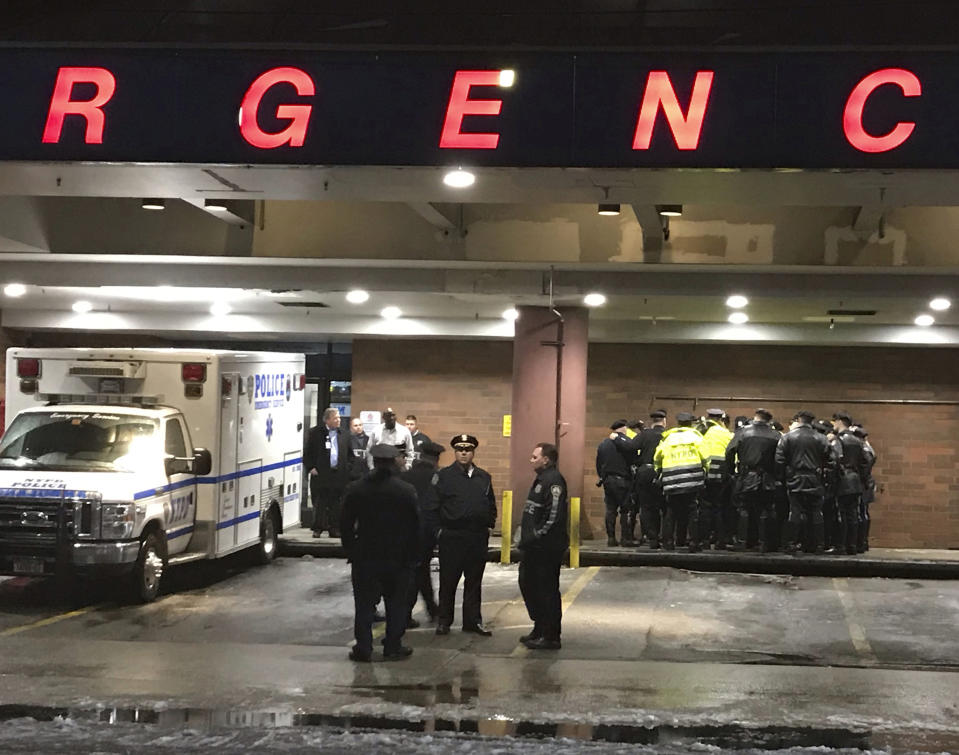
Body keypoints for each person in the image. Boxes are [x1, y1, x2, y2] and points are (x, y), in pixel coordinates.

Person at [340, 443, 420, 662]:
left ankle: (364, 647)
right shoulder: (405, 491)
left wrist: (352, 550)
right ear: (394, 462)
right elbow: (416, 526)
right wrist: (412, 556)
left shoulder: (357, 489)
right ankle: (393, 645)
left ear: (373, 462)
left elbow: (345, 524)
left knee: (364, 605)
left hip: (366, 557)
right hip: (398, 557)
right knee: (396, 604)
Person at [433, 434, 497, 637]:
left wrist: (489, 524)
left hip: (476, 537)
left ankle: (472, 621)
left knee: (474, 582)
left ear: (473, 452)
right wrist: (438, 532)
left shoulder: (483, 477)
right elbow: (433, 505)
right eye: (460, 449)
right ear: (455, 452)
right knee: (448, 581)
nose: (463, 452)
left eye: (467, 449)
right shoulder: (444, 476)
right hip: (452, 536)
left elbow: (491, 504)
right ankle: (444, 621)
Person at [518, 442, 568, 650]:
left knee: (546, 590)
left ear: (546, 459)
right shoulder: (541, 479)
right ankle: (539, 627)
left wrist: (537, 535)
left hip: (546, 548)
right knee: (529, 585)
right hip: (532, 547)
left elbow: (553, 515)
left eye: (534, 456)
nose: (531, 459)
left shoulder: (554, 481)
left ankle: (550, 635)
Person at [725, 408, 781, 552]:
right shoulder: (776, 435)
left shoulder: (743, 432)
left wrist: (731, 472)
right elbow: (781, 458)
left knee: (744, 508)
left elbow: (729, 452)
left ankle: (742, 541)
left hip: (746, 476)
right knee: (766, 509)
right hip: (768, 478)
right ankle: (764, 543)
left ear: (755, 418)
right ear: (769, 420)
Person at [402, 440, 445, 626]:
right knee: (420, 571)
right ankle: (427, 609)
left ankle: (422, 609)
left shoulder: (406, 476)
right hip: (426, 532)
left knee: (411, 571)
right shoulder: (438, 477)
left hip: (405, 531)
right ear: (436, 459)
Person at [775, 410, 831, 554]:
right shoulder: (821, 438)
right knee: (816, 512)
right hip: (814, 479)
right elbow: (831, 460)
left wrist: (783, 477)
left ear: (798, 420)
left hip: (795, 478)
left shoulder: (788, 437)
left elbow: (779, 460)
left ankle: (792, 543)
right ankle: (818, 545)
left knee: (795, 510)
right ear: (812, 421)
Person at [653, 412, 707, 551]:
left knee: (671, 512)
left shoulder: (668, 438)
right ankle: (694, 543)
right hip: (691, 481)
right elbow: (706, 458)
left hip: (671, 481)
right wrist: (705, 471)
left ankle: (668, 543)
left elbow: (657, 457)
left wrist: (659, 470)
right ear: (691, 423)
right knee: (692, 512)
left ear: (678, 423)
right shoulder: (696, 437)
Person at [617, 409, 668, 549]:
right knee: (663, 507)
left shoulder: (645, 435)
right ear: (664, 421)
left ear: (653, 421)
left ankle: (651, 538)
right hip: (662, 473)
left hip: (644, 472)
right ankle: (664, 537)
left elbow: (630, 446)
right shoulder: (666, 435)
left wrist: (616, 438)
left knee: (646, 507)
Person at [305, 407, 351, 538]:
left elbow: (350, 455)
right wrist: (311, 468)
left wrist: (347, 468)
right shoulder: (315, 433)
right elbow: (308, 453)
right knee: (320, 502)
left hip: (338, 475)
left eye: (339, 418)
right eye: (335, 418)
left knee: (336, 503)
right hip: (321, 474)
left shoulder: (345, 434)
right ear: (327, 419)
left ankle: (334, 528)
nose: (339, 420)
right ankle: (318, 528)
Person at [831, 411, 869, 555]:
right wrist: (861, 477)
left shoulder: (838, 440)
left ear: (840, 421)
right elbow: (866, 461)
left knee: (841, 514)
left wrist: (835, 477)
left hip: (843, 481)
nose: (834, 424)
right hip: (855, 480)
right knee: (853, 514)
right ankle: (852, 546)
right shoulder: (858, 441)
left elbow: (836, 460)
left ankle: (840, 545)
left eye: (834, 421)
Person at [596, 419, 634, 546]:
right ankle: (625, 538)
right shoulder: (627, 442)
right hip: (623, 480)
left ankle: (611, 538)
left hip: (608, 481)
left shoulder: (603, 444)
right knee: (625, 510)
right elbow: (633, 458)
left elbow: (598, 464)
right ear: (624, 428)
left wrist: (603, 476)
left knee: (610, 510)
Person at [699, 408, 733, 550]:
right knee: (720, 507)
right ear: (721, 419)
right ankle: (721, 540)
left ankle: (705, 540)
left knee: (705, 508)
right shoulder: (726, 433)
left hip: (705, 474)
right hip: (721, 475)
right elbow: (732, 453)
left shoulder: (701, 431)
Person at [853, 425, 877, 552]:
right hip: (867, 483)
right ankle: (862, 542)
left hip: (864, 483)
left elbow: (865, 468)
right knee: (863, 512)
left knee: (861, 512)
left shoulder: (864, 449)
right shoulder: (868, 448)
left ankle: (861, 542)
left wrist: (862, 479)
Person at [348, 417, 369, 481]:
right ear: (351, 427)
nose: (358, 427)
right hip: (352, 475)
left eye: (360, 425)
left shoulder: (369, 439)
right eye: (355, 425)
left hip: (367, 474)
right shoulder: (347, 440)